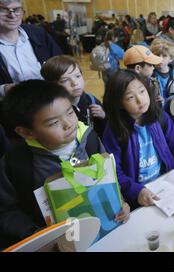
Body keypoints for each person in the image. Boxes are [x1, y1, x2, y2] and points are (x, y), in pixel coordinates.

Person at [0, 80, 130, 249]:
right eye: (54, 123)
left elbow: (109, 177)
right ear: (26, 132)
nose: (68, 124)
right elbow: (6, 211)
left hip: (108, 234)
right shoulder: (16, 164)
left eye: (70, 112)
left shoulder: (89, 138)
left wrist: (121, 202)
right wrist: (35, 234)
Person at [101, 70, 174, 208]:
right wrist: (137, 190)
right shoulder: (114, 131)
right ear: (119, 103)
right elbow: (114, 171)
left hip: (165, 184)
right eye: (130, 97)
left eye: (142, 91)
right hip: (140, 196)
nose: (140, 100)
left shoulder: (160, 117)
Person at [0, 0, 62, 97]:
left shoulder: (38, 34)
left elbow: (60, 63)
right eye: (4, 10)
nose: (12, 15)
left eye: (17, 9)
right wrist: (3, 89)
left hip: (48, 101)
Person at [41, 55, 107, 137]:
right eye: (65, 80)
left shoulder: (91, 100)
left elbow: (102, 130)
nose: (75, 83)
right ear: (52, 86)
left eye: (78, 76)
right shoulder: (52, 112)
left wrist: (103, 116)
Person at [150, 39, 174, 106]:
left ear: (171, 58)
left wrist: (165, 101)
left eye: (164, 56)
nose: (160, 59)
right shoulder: (150, 74)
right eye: (157, 55)